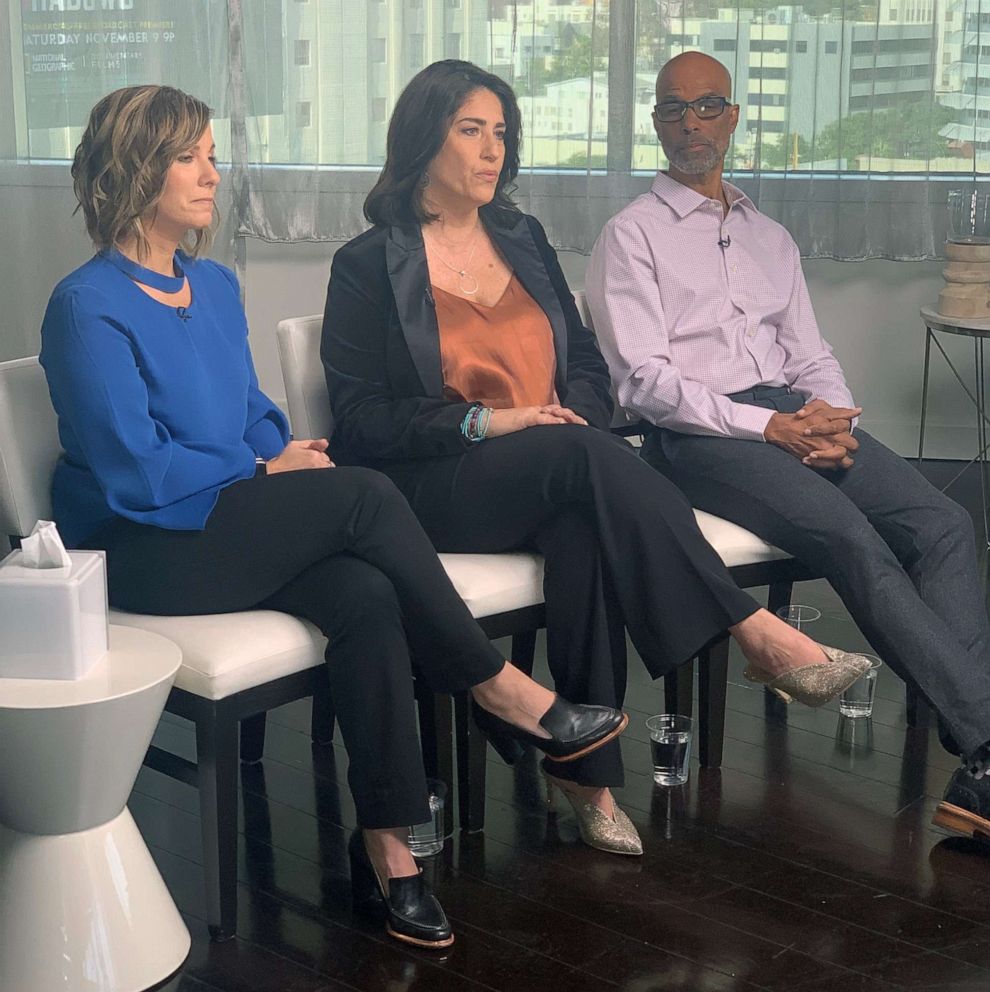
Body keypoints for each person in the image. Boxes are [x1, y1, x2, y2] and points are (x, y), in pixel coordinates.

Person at [39, 84, 629, 952]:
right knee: (362, 492)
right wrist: (259, 465)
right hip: (142, 546)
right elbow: (136, 471)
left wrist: (277, 454)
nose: (213, 172)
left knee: (362, 593)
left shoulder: (212, 284)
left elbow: (252, 413)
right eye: (191, 156)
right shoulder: (85, 306)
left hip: (228, 517)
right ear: (135, 169)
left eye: (211, 153)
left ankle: (391, 849)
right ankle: (498, 687)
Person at [321, 59, 871, 860]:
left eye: (501, 132)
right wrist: (493, 421)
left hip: (559, 460)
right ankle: (753, 630)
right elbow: (361, 423)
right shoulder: (368, 263)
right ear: (421, 140)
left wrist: (574, 408)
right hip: (439, 481)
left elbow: (583, 355)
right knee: (582, 464)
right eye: (470, 131)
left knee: (583, 527)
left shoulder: (521, 235)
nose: (492, 151)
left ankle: (586, 772)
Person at [586, 50, 990, 845]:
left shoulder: (770, 236)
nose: (690, 123)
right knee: (850, 537)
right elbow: (643, 385)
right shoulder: (629, 238)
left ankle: (980, 760)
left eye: (707, 106)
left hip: (793, 416)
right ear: (657, 124)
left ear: (734, 116)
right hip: (700, 436)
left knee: (943, 527)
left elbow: (807, 351)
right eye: (673, 110)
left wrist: (831, 418)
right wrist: (767, 427)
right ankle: (985, 742)